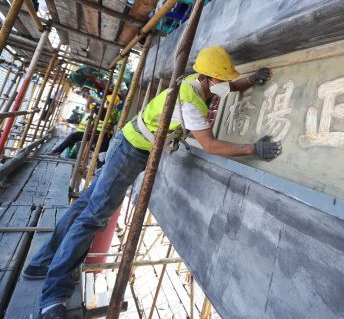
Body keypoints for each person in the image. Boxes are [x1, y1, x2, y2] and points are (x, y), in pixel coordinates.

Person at [25, 46, 281, 319]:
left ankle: (41, 262)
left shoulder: (194, 83)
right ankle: (53, 297)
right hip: (130, 152)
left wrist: (249, 81)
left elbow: (225, 87)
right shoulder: (190, 103)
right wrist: (253, 149)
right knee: (93, 217)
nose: (223, 82)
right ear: (206, 78)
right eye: (220, 78)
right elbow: (210, 145)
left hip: (128, 145)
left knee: (85, 206)